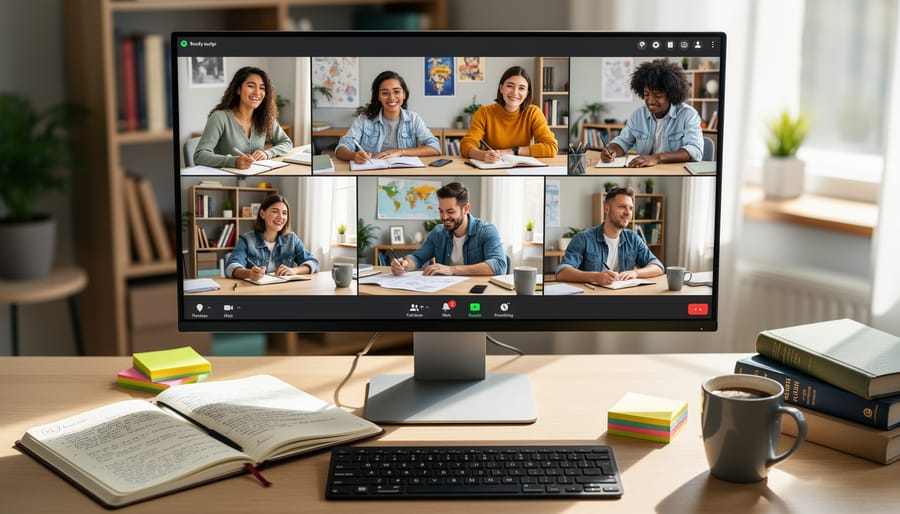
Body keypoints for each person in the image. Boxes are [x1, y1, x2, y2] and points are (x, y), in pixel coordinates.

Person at [599, 59, 703, 167]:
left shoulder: (688, 115)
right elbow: (623, 141)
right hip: (644, 171)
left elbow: (695, 150)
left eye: (657, 96)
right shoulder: (638, 115)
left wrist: (657, 158)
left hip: (674, 171)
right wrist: (610, 150)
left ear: (671, 94)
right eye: (646, 94)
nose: (651, 101)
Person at [390, 182, 507, 276]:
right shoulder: (438, 232)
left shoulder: (486, 231)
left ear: (466, 209)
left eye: (450, 211)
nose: (444, 217)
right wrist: (404, 264)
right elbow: (417, 258)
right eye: (441, 211)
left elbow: (499, 265)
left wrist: (452, 270)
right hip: (446, 291)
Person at [556, 186, 663, 286]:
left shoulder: (633, 238)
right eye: (622, 207)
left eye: (630, 208)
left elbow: (658, 267)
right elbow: (562, 272)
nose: (628, 213)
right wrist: (595, 277)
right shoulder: (583, 238)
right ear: (606, 209)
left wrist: (635, 273)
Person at [193, 66, 293, 170]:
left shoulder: (265, 118)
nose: (257, 93)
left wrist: (267, 153)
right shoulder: (219, 117)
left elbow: (286, 143)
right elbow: (199, 155)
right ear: (238, 89)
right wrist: (234, 161)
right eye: (251, 86)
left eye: (262, 88)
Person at [335, 71, 440, 164]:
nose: (391, 97)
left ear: (404, 94)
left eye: (396, 91)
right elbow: (341, 148)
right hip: (371, 171)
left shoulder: (414, 119)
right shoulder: (364, 120)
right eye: (385, 93)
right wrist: (354, 156)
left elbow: (435, 148)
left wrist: (400, 152)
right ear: (378, 96)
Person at [459, 66, 558, 163]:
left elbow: (551, 147)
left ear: (527, 93)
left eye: (521, 88)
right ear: (501, 88)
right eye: (510, 86)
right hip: (491, 167)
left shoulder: (533, 113)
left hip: (521, 169)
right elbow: (466, 144)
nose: (515, 92)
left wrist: (512, 151)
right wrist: (482, 155)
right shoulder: (484, 112)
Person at [225, 194, 318, 281]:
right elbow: (230, 267)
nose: (280, 217)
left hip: (283, 290)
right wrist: (249, 274)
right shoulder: (246, 240)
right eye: (275, 211)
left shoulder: (292, 239)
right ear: (262, 214)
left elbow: (314, 263)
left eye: (284, 213)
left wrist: (294, 270)